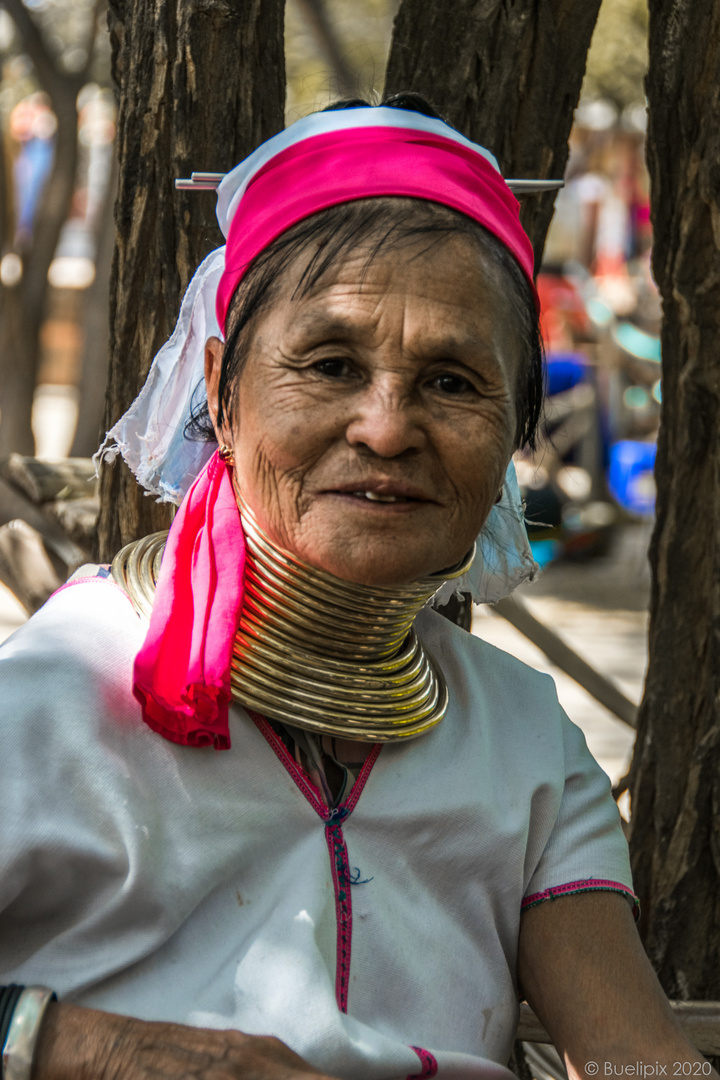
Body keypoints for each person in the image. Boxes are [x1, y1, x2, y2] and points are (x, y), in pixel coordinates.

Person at [0, 95, 710, 1080]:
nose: (385, 428)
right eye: (330, 364)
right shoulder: (49, 695)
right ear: (220, 388)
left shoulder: (523, 739)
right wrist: (97, 1049)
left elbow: (636, 1059)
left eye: (454, 383)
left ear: (516, 434)